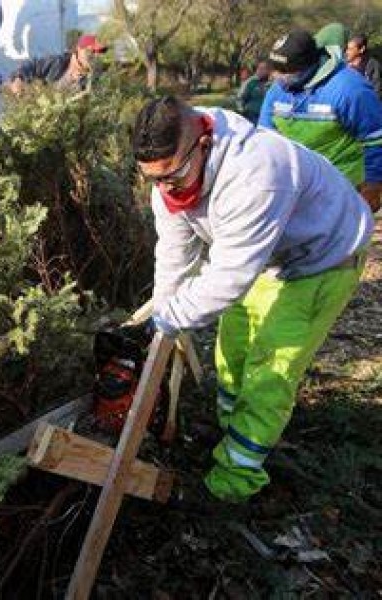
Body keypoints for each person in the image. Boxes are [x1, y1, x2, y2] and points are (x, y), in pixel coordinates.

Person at [131, 95, 373, 504]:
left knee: (270, 371)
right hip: (267, 256)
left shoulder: (257, 174)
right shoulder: (169, 174)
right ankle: (233, 428)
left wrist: (170, 320)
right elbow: (175, 254)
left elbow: (228, 278)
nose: (162, 189)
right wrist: (162, 309)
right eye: (152, 179)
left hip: (324, 258)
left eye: (170, 178)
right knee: (233, 350)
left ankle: (234, 480)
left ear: (202, 145)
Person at [260, 27, 382, 213]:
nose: (278, 77)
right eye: (276, 70)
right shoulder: (277, 92)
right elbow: (265, 138)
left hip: (345, 188)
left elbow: (375, 137)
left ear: (310, 65)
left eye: (285, 71)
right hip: (297, 189)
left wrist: (373, 184)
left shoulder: (349, 89)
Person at [5, 34, 108, 95]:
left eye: (99, 53)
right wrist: (19, 78)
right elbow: (32, 65)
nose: (96, 56)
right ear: (79, 50)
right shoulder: (56, 62)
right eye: (91, 51)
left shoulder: (96, 77)